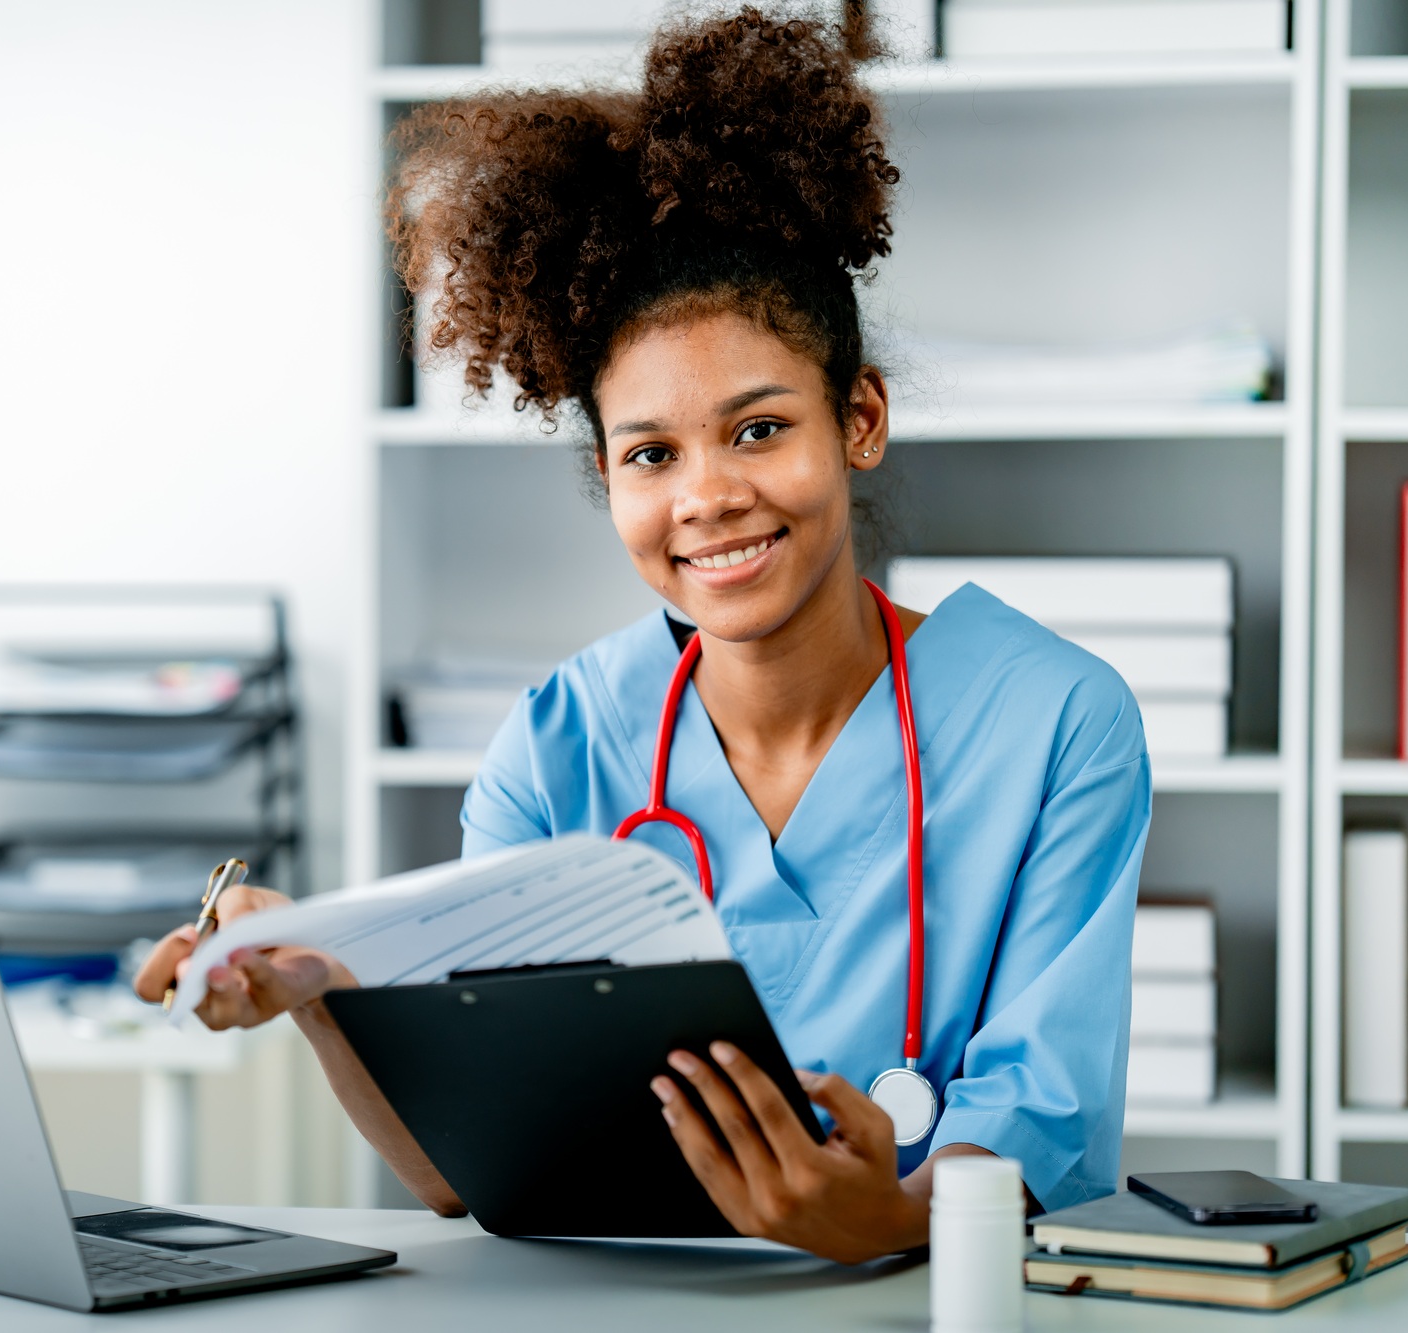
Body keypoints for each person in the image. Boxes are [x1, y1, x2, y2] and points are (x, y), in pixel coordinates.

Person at [135, 4, 1149, 1264]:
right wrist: (326, 994)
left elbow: (1043, 1125)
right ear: (607, 481)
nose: (707, 495)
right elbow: (467, 1173)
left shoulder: (1052, 720)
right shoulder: (558, 741)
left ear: (861, 419)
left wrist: (889, 1213)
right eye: (649, 453)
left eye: (760, 428)